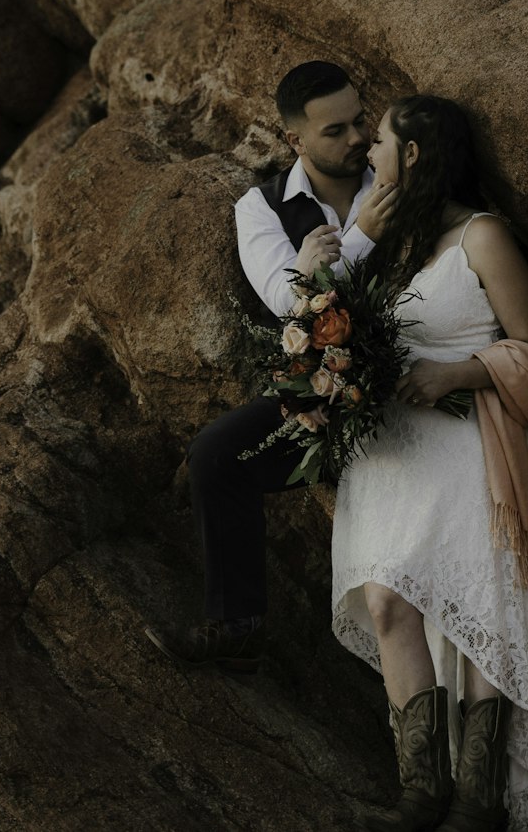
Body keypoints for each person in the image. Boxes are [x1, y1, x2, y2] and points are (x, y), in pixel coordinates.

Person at [332, 95, 528, 832]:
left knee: (479, 613)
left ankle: (477, 801)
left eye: (383, 141)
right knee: (387, 601)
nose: (370, 151)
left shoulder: (481, 236)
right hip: (395, 456)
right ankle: (420, 794)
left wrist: (454, 373)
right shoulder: (403, 241)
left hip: (466, 446)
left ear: (418, 154)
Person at [145, 61, 397, 673]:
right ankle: (239, 625)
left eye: (360, 121)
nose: (357, 138)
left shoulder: (394, 179)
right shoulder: (259, 209)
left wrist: (322, 268)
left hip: (408, 381)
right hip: (323, 400)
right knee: (215, 454)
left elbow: (316, 285)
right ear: (295, 141)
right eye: (334, 131)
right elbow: (287, 302)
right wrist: (360, 237)